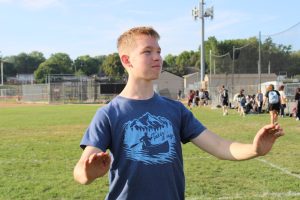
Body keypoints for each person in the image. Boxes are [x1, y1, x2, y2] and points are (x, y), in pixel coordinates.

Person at [73, 26, 284, 200]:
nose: (157, 57)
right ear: (127, 60)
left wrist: (255, 149)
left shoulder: (175, 110)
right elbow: (80, 171)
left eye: (158, 51)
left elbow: (220, 146)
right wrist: (87, 173)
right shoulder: (109, 114)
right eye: (147, 52)